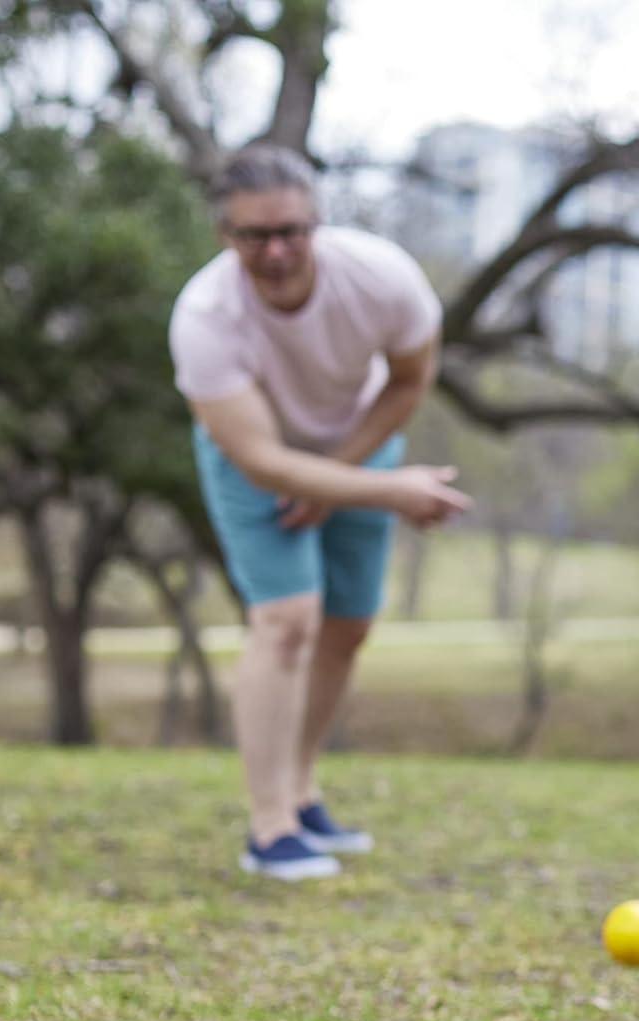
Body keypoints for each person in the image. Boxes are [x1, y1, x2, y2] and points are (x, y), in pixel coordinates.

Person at [170, 144, 471, 880]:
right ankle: (268, 828)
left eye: (291, 232)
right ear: (226, 237)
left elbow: (407, 381)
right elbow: (263, 462)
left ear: (318, 222)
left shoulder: (384, 278)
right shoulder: (205, 317)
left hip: (357, 439)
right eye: (253, 237)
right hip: (253, 456)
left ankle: (301, 795)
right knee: (286, 621)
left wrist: (339, 476)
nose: (275, 252)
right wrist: (394, 490)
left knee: (347, 625)